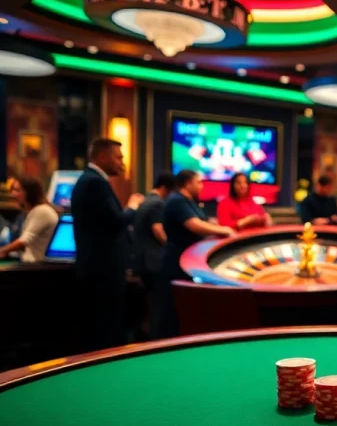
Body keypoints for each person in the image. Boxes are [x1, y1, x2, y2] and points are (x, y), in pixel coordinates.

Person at [71, 138, 145, 351]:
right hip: (103, 270)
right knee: (106, 330)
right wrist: (132, 207)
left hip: (94, 268)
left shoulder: (89, 180)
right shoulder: (95, 183)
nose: (122, 162)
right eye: (118, 157)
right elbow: (115, 222)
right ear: (102, 157)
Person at [154, 169, 234, 338]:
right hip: (176, 262)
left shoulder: (189, 201)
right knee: (171, 311)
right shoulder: (177, 200)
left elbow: (203, 221)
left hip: (187, 261)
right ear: (187, 183)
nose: (201, 186)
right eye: (198, 182)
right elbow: (195, 225)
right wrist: (225, 230)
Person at [132, 172, 176, 336]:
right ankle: (155, 338)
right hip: (153, 261)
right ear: (165, 188)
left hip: (141, 259)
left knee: (149, 302)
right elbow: (157, 229)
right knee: (158, 303)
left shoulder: (146, 200)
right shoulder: (157, 203)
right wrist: (170, 246)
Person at [0, 176, 58, 262]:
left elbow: (23, 241)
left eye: (17, 190)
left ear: (29, 193)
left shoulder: (42, 211)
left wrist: (2, 251)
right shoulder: (31, 212)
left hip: (39, 266)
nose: (13, 194)